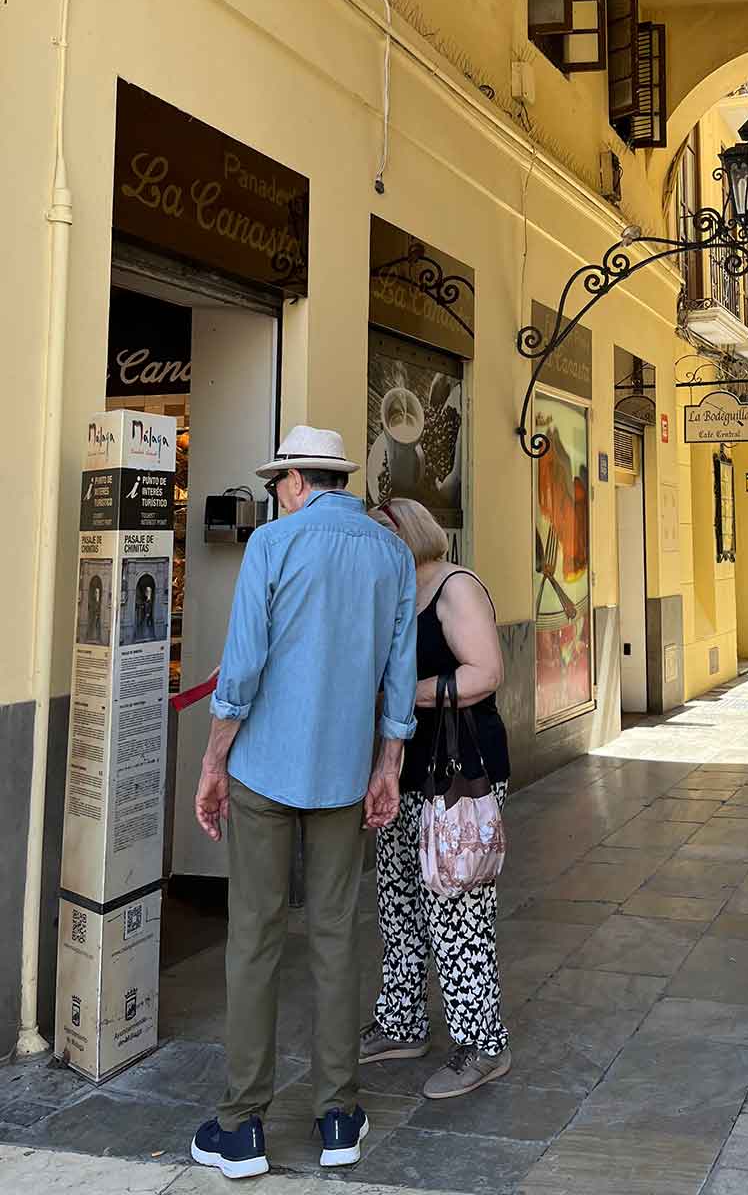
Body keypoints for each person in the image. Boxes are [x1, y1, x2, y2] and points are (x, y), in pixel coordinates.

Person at [189, 426, 417, 1181]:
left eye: (275, 482)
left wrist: (214, 761)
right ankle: (339, 1115)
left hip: (264, 768)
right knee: (335, 936)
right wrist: (387, 765)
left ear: (292, 478)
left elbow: (245, 666)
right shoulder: (390, 552)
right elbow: (398, 671)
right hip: (345, 771)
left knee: (252, 939)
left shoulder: (274, 544)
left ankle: (242, 1126)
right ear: (335, 478)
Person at [359, 497, 511, 1101]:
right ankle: (403, 1023)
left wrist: (404, 692)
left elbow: (486, 672)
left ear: (403, 538)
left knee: (458, 911)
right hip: (405, 768)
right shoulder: (399, 597)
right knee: (397, 898)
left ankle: (482, 1044)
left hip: (461, 775)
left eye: (376, 540)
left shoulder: (454, 587)